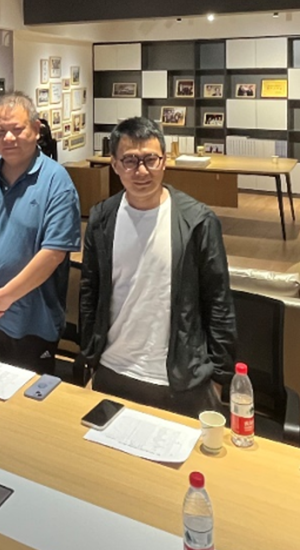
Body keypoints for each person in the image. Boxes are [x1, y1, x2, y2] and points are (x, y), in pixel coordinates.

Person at [78, 116, 236, 417]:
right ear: (114, 165)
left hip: (182, 379)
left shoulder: (198, 221)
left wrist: (219, 378)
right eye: (130, 160)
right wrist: (89, 357)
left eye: (150, 159)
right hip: (112, 369)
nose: (141, 171)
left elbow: (219, 301)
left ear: (164, 161)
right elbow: (90, 292)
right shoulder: (101, 218)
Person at [0, 91, 80, 374]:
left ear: (36, 129)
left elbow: (54, 253)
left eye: (17, 129)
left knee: (27, 398)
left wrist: (5, 297)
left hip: (33, 322)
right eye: (0, 132)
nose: (8, 138)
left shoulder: (57, 181)